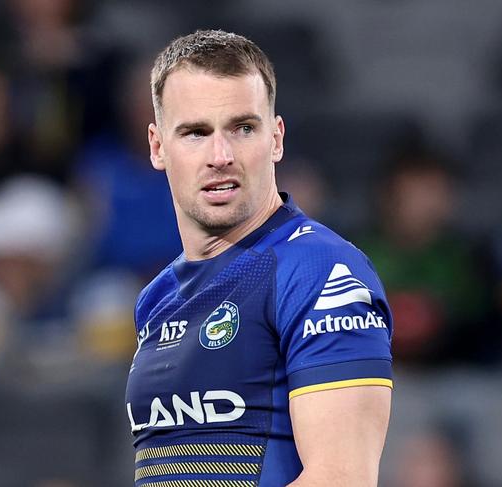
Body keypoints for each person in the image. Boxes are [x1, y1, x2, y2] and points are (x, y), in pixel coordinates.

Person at [124, 30, 393, 487]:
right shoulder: (157, 298)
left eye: (242, 128)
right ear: (157, 146)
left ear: (276, 138)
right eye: (195, 133)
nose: (221, 156)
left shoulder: (320, 271)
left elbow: (342, 479)